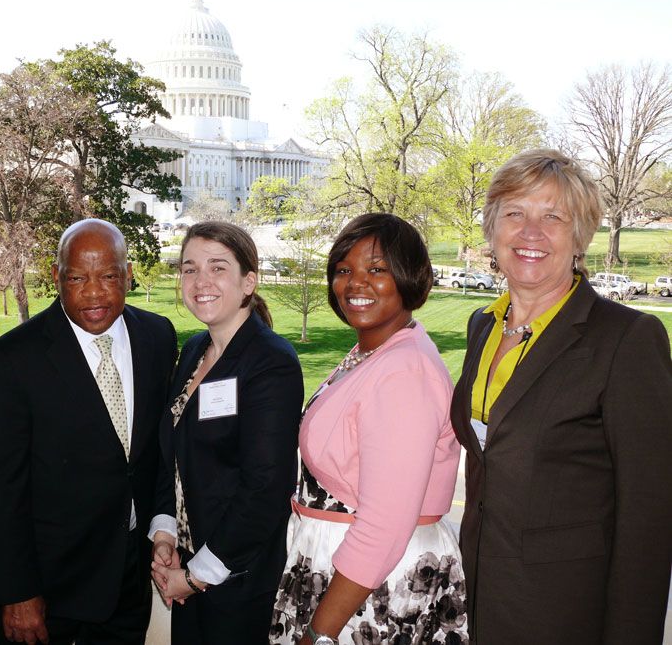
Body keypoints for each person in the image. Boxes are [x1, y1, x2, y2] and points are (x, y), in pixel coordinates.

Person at [450, 148, 672, 644]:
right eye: (515, 214)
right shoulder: (482, 325)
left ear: (580, 236)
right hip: (478, 600)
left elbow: (649, 518)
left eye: (553, 216)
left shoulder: (627, 339)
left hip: (566, 613)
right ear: (492, 229)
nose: (531, 233)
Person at [0, 219, 177, 645]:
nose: (93, 293)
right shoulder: (10, 360)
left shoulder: (158, 337)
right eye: (76, 278)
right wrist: (19, 592)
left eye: (108, 276)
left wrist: (162, 524)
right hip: (49, 590)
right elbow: (2, 489)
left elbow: (155, 451)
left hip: (129, 578)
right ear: (56, 276)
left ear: (127, 274)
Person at [270, 213, 467, 645]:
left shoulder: (403, 373)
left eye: (376, 269)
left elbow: (382, 526)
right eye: (344, 270)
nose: (355, 283)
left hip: (370, 587)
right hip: (347, 568)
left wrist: (319, 634)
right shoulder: (377, 351)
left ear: (409, 276)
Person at [149, 221, 304, 644]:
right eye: (189, 269)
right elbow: (173, 454)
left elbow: (265, 488)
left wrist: (197, 576)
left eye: (218, 268)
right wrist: (164, 532)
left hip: (237, 583)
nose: (201, 282)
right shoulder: (195, 351)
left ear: (248, 281)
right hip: (189, 569)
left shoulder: (271, 362)